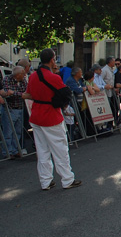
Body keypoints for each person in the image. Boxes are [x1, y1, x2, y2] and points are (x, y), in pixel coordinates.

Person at [22, 48, 81, 190]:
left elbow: (28, 94)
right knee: (60, 149)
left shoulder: (34, 76)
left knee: (42, 151)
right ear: (52, 60)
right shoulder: (54, 77)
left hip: (36, 115)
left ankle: (46, 181)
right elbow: (65, 93)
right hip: (51, 115)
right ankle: (67, 179)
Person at [1, 66, 28, 159]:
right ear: (18, 74)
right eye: (23, 74)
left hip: (20, 107)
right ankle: (7, 152)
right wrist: (20, 94)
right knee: (8, 132)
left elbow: (25, 92)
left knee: (18, 131)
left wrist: (14, 93)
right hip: (10, 108)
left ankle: (16, 150)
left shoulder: (23, 81)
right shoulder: (7, 79)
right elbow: (7, 91)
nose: (24, 76)